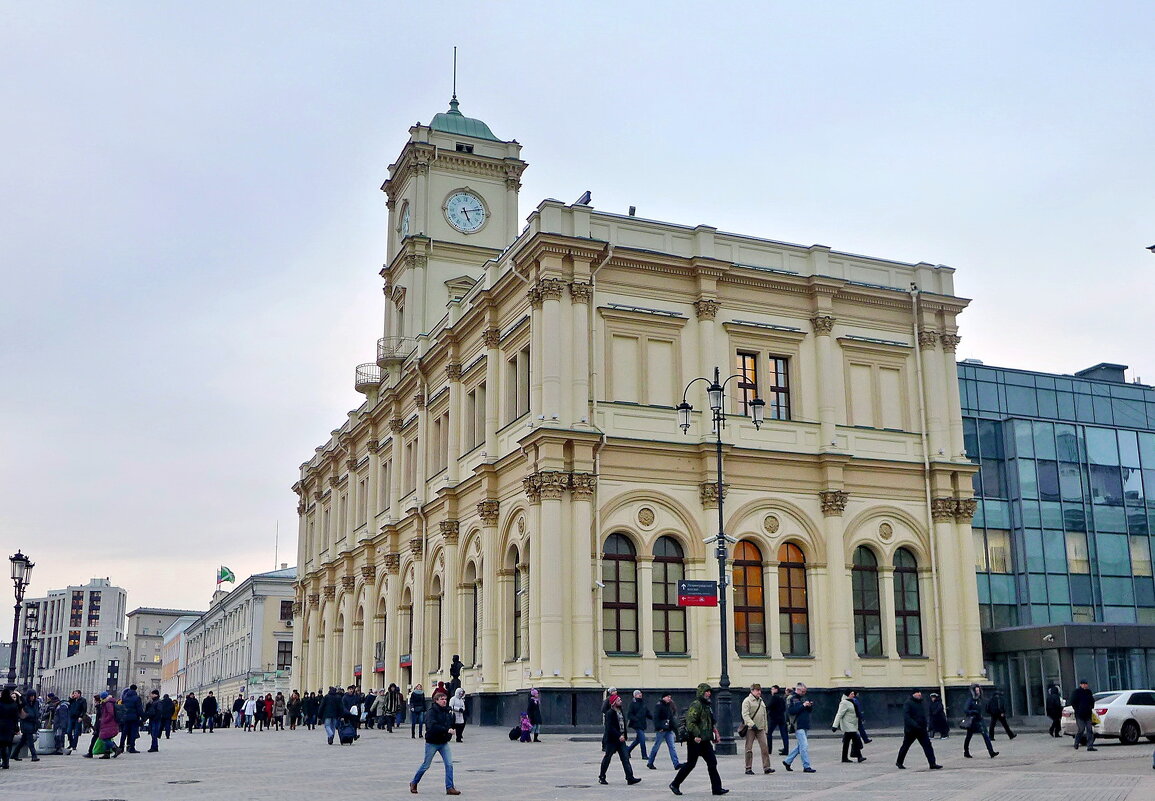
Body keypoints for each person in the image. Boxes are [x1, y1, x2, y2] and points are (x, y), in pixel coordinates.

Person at [670, 682, 726, 796]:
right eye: (706, 691)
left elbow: (711, 722)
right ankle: (675, 784)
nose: (709, 694)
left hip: (705, 740)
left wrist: (715, 733)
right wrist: (696, 735)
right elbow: (691, 722)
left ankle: (717, 789)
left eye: (709, 691)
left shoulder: (707, 705)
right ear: (701, 692)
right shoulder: (696, 705)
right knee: (691, 764)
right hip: (695, 740)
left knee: (712, 763)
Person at [409, 690, 460, 795]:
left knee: (449, 764)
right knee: (426, 765)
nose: (444, 701)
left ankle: (450, 787)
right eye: (442, 699)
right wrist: (446, 730)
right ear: (436, 700)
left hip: (443, 742)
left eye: (445, 699)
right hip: (432, 742)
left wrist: (451, 729)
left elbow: (450, 723)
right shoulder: (431, 712)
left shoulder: (447, 711)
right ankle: (414, 782)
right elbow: (431, 726)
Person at [598, 691, 641, 786]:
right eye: (618, 700)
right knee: (607, 758)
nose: (621, 701)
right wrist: (618, 735)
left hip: (621, 740)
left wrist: (624, 736)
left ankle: (630, 777)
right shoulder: (610, 713)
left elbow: (622, 725)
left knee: (625, 758)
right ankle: (602, 776)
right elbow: (610, 727)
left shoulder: (620, 711)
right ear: (613, 702)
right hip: (612, 740)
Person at [895, 690, 942, 770]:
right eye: (917, 692)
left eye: (920, 692)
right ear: (913, 694)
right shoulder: (908, 703)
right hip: (911, 730)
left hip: (921, 729)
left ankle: (932, 763)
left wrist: (925, 724)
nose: (919, 694)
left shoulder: (921, 702)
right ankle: (899, 762)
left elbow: (922, 715)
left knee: (928, 746)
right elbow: (907, 717)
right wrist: (915, 725)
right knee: (905, 746)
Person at [782, 683, 816, 774]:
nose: (805, 693)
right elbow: (791, 711)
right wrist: (803, 705)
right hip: (797, 725)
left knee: (800, 746)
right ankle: (806, 766)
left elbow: (809, 711)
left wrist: (809, 706)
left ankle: (787, 761)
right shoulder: (791, 698)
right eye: (803, 691)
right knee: (804, 746)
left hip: (805, 724)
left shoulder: (804, 697)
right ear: (799, 690)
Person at [741, 683, 774, 775]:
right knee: (749, 748)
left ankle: (767, 767)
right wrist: (751, 724)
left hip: (760, 728)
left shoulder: (761, 701)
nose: (759, 692)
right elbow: (745, 715)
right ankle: (748, 768)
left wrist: (765, 728)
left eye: (760, 690)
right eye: (757, 690)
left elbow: (764, 716)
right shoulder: (747, 701)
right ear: (752, 691)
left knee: (765, 747)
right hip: (750, 728)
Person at [647, 692, 682, 771]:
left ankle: (676, 764)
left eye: (670, 697)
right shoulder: (659, 705)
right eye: (668, 697)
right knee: (656, 746)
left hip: (668, 729)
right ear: (664, 697)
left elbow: (671, 718)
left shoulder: (668, 706)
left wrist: (675, 729)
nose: (669, 698)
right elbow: (656, 718)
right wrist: (659, 727)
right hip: (661, 730)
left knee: (672, 747)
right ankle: (650, 762)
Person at [963, 684, 998, 759]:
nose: (978, 692)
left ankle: (991, 752)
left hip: (980, 719)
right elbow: (965, 709)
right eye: (976, 690)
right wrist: (973, 711)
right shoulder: (970, 700)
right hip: (972, 721)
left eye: (979, 690)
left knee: (985, 735)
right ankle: (966, 751)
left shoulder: (979, 699)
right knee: (968, 736)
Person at [832, 689, 864, 764]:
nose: (853, 695)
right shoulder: (844, 703)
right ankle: (859, 756)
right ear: (847, 695)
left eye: (853, 694)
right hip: (848, 725)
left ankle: (844, 757)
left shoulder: (852, 701)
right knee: (856, 740)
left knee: (846, 742)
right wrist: (835, 726)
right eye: (852, 694)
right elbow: (839, 714)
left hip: (852, 724)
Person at [11, 689, 41, 762]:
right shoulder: (25, 703)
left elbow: (36, 712)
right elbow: (26, 713)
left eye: (33, 696)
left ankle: (14, 754)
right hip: (26, 723)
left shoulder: (36, 703)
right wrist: (19, 695)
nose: (32, 697)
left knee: (23, 741)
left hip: (32, 723)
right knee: (30, 741)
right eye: (31, 696)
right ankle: (34, 755)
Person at [1070, 678, 1097, 751]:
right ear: (1080, 685)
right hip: (1079, 715)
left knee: (1089, 730)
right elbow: (1073, 702)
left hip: (1088, 714)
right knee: (1081, 729)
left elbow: (1092, 701)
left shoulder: (1088, 692)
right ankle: (1076, 742)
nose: (1085, 686)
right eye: (1083, 684)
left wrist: (1091, 707)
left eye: (1086, 684)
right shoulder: (1076, 692)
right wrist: (1077, 709)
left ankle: (1090, 746)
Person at [94, 691, 122, 759]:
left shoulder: (108, 703)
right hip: (110, 723)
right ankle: (107, 753)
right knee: (107, 738)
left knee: (103, 737)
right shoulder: (107, 702)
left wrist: (104, 720)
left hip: (109, 723)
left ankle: (116, 749)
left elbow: (110, 713)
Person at [626, 690, 651, 760]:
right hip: (636, 725)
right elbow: (629, 715)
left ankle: (628, 750)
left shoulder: (643, 703)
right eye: (638, 694)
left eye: (640, 693)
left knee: (638, 740)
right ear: (634, 695)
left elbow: (647, 712)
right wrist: (636, 719)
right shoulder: (633, 704)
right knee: (642, 739)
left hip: (642, 724)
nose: (640, 695)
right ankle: (644, 755)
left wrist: (654, 718)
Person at [119, 684, 144, 752]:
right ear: (135, 689)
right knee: (133, 732)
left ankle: (121, 747)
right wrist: (143, 717)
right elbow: (139, 709)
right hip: (134, 718)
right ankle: (131, 747)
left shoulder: (125, 697)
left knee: (124, 733)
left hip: (125, 717)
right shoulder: (137, 698)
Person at [0, 686, 19, 769]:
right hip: (9, 727)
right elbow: (15, 717)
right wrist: (16, 728)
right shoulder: (13, 705)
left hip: (0, 727)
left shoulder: (0, 703)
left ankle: (2, 761)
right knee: (6, 745)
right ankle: (6, 762)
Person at [767, 684, 788, 756]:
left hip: (774, 718)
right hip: (781, 718)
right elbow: (784, 708)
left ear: (776, 690)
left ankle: (769, 749)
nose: (771, 691)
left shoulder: (774, 697)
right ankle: (786, 749)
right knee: (784, 734)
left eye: (772, 689)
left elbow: (769, 706)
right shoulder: (781, 697)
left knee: (769, 733)